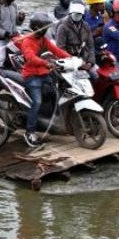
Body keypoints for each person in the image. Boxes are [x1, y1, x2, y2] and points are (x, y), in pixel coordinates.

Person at [17, 12, 70, 147]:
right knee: (37, 101)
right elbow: (31, 58)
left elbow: (55, 49)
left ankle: (53, 122)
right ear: (36, 28)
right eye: (44, 28)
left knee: (56, 93)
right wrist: (46, 63)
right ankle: (29, 132)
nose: (46, 30)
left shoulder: (42, 39)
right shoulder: (27, 41)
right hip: (31, 76)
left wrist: (71, 58)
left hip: (43, 73)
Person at [55, 0, 97, 80]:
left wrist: (90, 62)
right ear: (70, 13)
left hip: (84, 60)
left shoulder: (86, 26)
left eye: (79, 14)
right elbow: (60, 49)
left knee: (95, 76)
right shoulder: (63, 27)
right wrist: (76, 64)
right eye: (75, 14)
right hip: (68, 62)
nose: (77, 16)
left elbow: (91, 46)